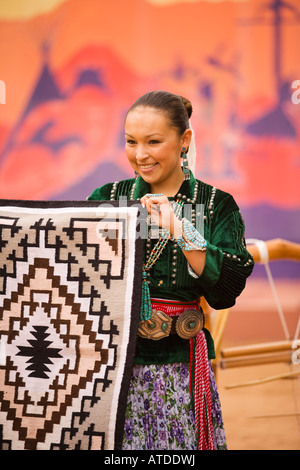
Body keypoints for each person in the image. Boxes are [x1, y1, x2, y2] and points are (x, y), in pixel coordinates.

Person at [88, 90, 254, 450]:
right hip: (114, 370)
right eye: (131, 142)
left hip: (180, 369)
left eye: (153, 141)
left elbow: (226, 290)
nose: (140, 154)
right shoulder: (110, 198)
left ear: (185, 141)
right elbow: (81, 276)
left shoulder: (214, 205)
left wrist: (180, 228)